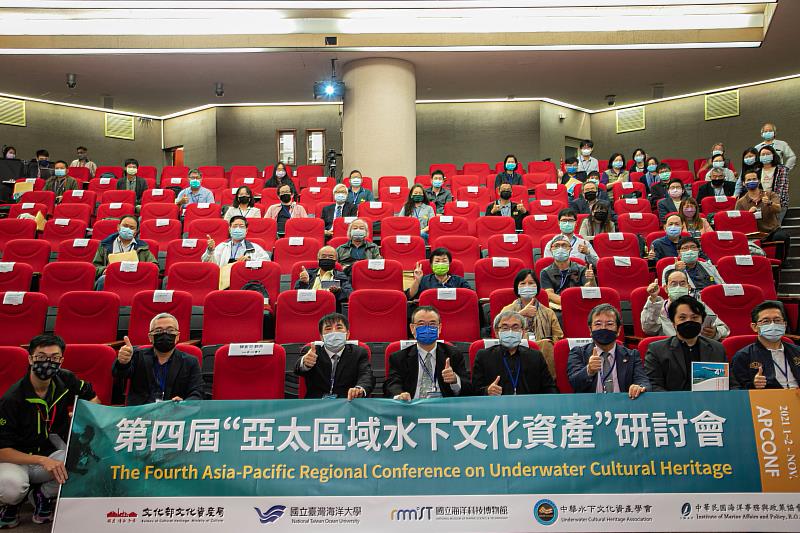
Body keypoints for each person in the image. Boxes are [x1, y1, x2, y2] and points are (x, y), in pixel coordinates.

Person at [0, 334, 99, 528]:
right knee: (11, 487)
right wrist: (41, 460)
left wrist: (82, 414)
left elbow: (93, 398)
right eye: (41, 357)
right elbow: (2, 451)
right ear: (30, 359)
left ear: (61, 360)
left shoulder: (66, 379)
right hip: (17, 458)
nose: (48, 362)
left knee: (87, 461)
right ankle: (12, 504)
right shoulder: (12, 399)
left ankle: (42, 495)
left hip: (51, 450)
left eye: (54, 358)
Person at [644, 295, 731, 391]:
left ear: (702, 321)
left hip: (710, 399)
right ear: (673, 323)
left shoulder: (717, 349)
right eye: (682, 318)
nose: (689, 321)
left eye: (694, 317)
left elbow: (731, 384)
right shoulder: (657, 350)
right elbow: (654, 385)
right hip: (671, 400)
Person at [112, 313, 203, 404]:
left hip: (173, 410)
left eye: (170, 330)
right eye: (158, 331)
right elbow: (119, 374)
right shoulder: (137, 355)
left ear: (177, 336)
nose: (164, 334)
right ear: (150, 337)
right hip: (142, 410)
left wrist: (185, 404)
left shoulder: (190, 362)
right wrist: (123, 363)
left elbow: (197, 392)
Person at [384, 306, 470, 400]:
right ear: (412, 328)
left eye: (432, 324)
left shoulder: (453, 354)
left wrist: (455, 380)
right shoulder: (399, 357)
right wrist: (400, 395)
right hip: (412, 405)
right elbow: (392, 384)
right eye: (421, 324)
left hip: (443, 405)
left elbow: (469, 388)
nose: (427, 329)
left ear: (439, 328)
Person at [567, 304, 649, 398]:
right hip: (591, 405)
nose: (603, 328)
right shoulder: (578, 353)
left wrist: (639, 387)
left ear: (618, 330)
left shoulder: (632, 355)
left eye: (609, 324)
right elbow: (574, 383)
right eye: (598, 324)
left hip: (623, 404)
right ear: (590, 329)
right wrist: (589, 371)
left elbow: (644, 382)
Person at [472, 311, 557, 395]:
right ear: (497, 332)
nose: (510, 332)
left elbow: (550, 388)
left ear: (523, 332)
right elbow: (474, 390)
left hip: (529, 402)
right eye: (505, 328)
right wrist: (487, 391)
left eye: (515, 327)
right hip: (497, 402)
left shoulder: (536, 356)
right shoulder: (484, 356)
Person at [294, 313, 375, 399]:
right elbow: (297, 369)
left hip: (347, 401)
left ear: (347, 334)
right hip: (317, 402)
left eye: (339, 328)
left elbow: (366, 376)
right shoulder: (311, 351)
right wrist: (304, 363)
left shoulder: (358, 352)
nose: (334, 332)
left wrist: (359, 389)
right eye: (328, 329)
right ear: (321, 337)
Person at [500, 269, 563, 376]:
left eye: (531, 283)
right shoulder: (507, 310)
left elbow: (559, 337)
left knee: (546, 345)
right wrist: (520, 314)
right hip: (515, 350)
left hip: (543, 354)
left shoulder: (548, 312)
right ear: (517, 287)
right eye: (523, 283)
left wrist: (546, 343)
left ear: (537, 287)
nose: (527, 286)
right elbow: (499, 331)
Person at [641, 269, 729, 340]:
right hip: (671, 350)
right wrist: (653, 298)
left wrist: (715, 333)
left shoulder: (698, 306)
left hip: (699, 349)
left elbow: (724, 329)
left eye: (682, 283)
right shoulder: (658, 307)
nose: (678, 287)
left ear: (688, 287)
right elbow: (649, 329)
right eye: (674, 284)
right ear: (666, 288)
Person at [732, 301, 799, 389]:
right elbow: (736, 389)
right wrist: (753, 385)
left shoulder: (797, 351)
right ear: (754, 327)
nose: (773, 325)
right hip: (767, 397)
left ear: (785, 325)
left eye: (777, 320)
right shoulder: (743, 356)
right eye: (766, 321)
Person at [736, 170, 791, 263]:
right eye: (748, 180)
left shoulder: (770, 194)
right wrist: (748, 214)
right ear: (744, 183)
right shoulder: (740, 202)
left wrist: (770, 203)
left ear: (759, 181)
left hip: (772, 231)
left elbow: (778, 209)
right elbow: (738, 222)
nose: (752, 181)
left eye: (754, 179)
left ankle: (781, 262)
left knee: (782, 236)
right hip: (754, 235)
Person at [92, 215, 158, 290]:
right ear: (118, 227)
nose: (127, 229)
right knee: (103, 279)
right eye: (125, 226)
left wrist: (140, 270)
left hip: (135, 280)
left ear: (135, 232)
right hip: (113, 278)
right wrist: (105, 270)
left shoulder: (142, 247)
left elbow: (154, 267)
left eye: (132, 228)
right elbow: (95, 268)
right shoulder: (105, 245)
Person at [540, 235, 596, 312]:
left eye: (564, 245)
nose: (560, 249)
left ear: (570, 249)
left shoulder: (582, 269)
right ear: (551, 249)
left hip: (580, 305)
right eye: (556, 246)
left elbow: (589, 290)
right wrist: (570, 303)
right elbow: (549, 294)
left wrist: (592, 280)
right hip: (559, 308)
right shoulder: (545, 272)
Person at [295, 245, 352, 312]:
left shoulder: (341, 276)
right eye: (323, 256)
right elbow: (296, 294)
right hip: (308, 307)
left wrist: (338, 291)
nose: (327, 259)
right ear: (318, 259)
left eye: (331, 257)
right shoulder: (308, 274)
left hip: (330, 310)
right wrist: (304, 283)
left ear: (336, 260)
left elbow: (349, 293)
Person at [202, 216, 271, 267]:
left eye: (241, 226)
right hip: (224, 278)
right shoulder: (222, 246)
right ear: (229, 229)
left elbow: (267, 263)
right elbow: (207, 264)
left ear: (246, 230)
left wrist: (251, 260)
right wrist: (210, 250)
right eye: (235, 226)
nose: (238, 229)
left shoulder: (255, 247)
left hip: (246, 278)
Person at [406, 247, 471, 300]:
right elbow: (410, 296)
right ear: (431, 265)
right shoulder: (424, 280)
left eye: (444, 261)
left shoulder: (459, 280)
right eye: (437, 261)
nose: (441, 263)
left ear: (449, 264)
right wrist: (417, 280)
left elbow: (470, 296)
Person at [755, 144, 789, 222]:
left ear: (773, 155)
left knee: (774, 224)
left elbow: (781, 189)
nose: (765, 156)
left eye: (768, 154)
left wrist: (771, 202)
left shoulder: (782, 169)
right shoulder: (757, 171)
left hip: (778, 203)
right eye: (763, 154)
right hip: (761, 204)